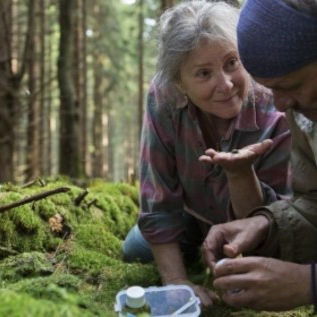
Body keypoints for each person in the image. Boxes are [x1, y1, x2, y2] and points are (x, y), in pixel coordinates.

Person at [122, 0, 292, 307]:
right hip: (190, 216)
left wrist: (241, 173)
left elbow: (279, 218)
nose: (225, 85)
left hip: (258, 226)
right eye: (203, 73)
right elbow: (158, 198)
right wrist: (176, 282)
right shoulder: (163, 97)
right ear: (179, 83)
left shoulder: (275, 101)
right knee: (137, 249)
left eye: (231, 63)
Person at [202, 0, 317, 312]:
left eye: (290, 86)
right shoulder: (306, 112)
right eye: (269, 90)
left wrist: (309, 283)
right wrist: (267, 224)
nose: (280, 106)